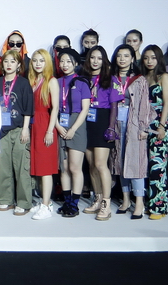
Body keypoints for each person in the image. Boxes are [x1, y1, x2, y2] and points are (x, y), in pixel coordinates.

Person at [111, 46, 154, 220]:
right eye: (119, 56)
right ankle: (126, 199)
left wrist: (144, 127)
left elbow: (144, 105)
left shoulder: (139, 80)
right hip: (117, 123)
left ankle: (139, 203)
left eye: (126, 56)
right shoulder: (112, 78)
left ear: (132, 58)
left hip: (134, 123)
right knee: (120, 163)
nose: (122, 59)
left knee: (135, 163)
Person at [0, 48, 33, 215]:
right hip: (1, 131)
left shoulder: (23, 83)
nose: (9, 64)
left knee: (22, 167)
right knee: (4, 167)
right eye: (6, 61)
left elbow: (28, 108)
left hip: (19, 129)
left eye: (13, 61)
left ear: (18, 65)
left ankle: (24, 202)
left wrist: (25, 129)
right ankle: (5, 199)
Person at [82, 45, 120, 221]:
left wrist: (111, 127)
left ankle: (106, 203)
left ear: (104, 60)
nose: (95, 61)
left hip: (103, 120)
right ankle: (97, 198)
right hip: (87, 121)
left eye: (99, 58)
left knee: (100, 164)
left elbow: (114, 106)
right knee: (91, 164)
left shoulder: (110, 79)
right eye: (92, 57)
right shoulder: (83, 78)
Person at [55, 49, 91, 217]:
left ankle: (74, 204)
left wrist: (73, 129)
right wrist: (57, 126)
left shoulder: (82, 82)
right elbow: (51, 108)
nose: (65, 65)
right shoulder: (56, 82)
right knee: (64, 168)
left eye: (68, 61)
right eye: (62, 61)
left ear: (76, 64)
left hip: (77, 124)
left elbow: (85, 109)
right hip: (60, 123)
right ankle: (67, 201)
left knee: (75, 167)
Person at [139, 46, 168, 219]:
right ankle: (149, 203)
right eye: (146, 58)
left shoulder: (164, 77)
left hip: (159, 124)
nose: (149, 61)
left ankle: (159, 208)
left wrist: (161, 126)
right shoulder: (143, 77)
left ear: (159, 59)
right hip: (143, 125)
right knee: (145, 166)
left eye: (153, 57)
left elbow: (166, 103)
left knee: (157, 167)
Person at [26, 49, 58, 220]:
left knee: (45, 168)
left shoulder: (51, 81)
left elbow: (55, 108)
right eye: (35, 60)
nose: (38, 64)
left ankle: (46, 205)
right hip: (33, 125)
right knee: (37, 166)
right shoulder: (32, 80)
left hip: (45, 124)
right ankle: (45, 202)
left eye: (41, 60)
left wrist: (50, 130)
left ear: (47, 62)